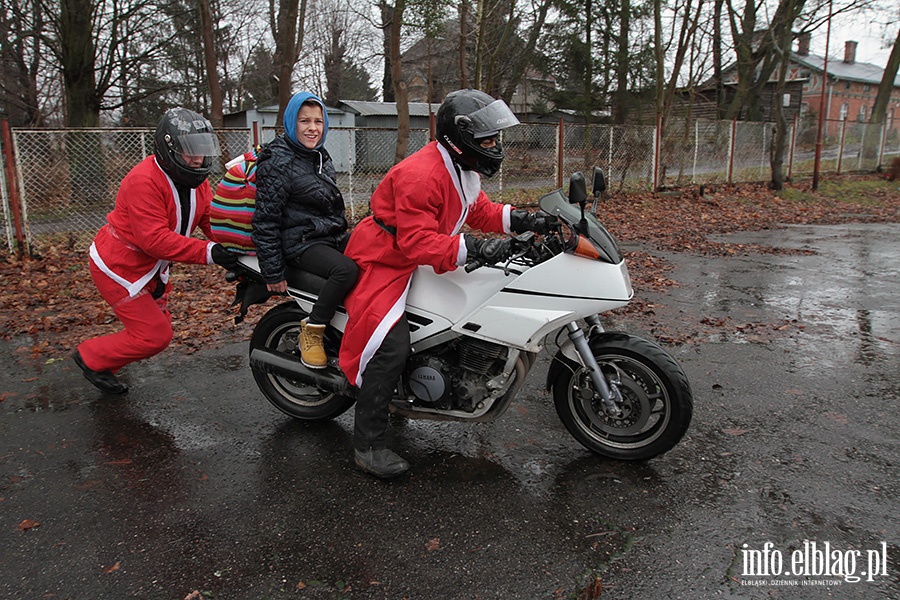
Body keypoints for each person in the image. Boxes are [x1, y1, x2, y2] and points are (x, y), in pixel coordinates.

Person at [338, 89, 548, 478]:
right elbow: (415, 242)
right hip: (382, 258)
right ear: (460, 136)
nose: (494, 145)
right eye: (487, 139)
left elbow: (478, 209)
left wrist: (526, 220)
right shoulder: (422, 174)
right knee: (391, 344)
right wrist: (478, 247)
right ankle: (368, 445)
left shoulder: (458, 166)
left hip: (417, 254)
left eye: (495, 138)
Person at [73, 107, 241, 394]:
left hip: (152, 267)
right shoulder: (144, 180)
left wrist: (237, 244)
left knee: (155, 330)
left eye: (202, 150)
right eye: (190, 151)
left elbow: (209, 219)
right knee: (154, 336)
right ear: (168, 147)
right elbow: (154, 239)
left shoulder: (195, 181)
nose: (198, 158)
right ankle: (91, 357)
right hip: (118, 267)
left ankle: (104, 362)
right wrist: (212, 253)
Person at [252, 91, 356, 369]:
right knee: (345, 270)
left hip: (325, 234)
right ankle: (313, 330)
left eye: (318, 122)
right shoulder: (278, 161)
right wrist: (272, 271)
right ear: (291, 123)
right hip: (299, 241)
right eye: (304, 121)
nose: (313, 128)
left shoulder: (318, 155)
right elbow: (265, 220)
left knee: (375, 247)